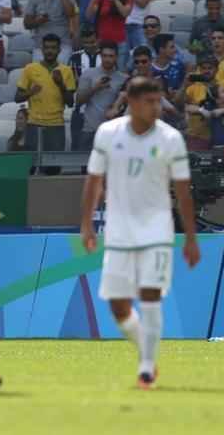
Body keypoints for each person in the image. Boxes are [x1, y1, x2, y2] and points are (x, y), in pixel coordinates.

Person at [80, 76, 200, 389]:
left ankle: (146, 368)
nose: (155, 107)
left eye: (158, 101)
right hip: (119, 231)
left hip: (157, 229)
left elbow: (183, 191)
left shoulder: (171, 138)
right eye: (149, 102)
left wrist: (190, 237)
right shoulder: (108, 133)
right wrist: (86, 223)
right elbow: (94, 180)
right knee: (118, 306)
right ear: (131, 102)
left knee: (150, 296)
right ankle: (145, 350)